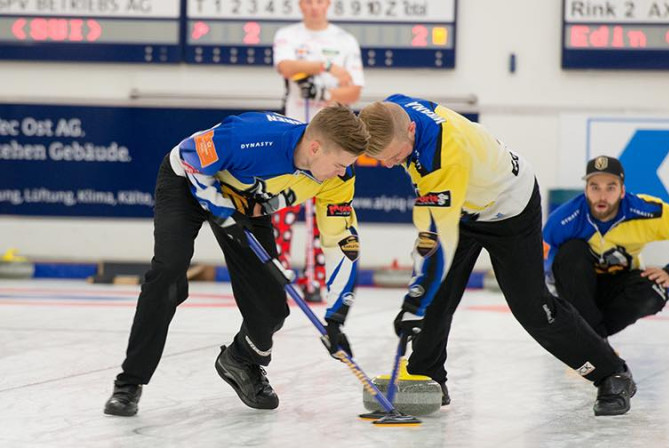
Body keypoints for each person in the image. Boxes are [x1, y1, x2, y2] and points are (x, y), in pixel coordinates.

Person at [358, 95, 636, 416]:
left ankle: (612, 373)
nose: (391, 164)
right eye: (384, 160)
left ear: (410, 130)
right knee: (437, 295)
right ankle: (428, 376)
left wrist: (414, 302)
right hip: (465, 204)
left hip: (509, 208)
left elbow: (437, 237)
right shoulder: (392, 110)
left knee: (534, 309)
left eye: (395, 156)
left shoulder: (445, 154)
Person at [104, 105, 369, 417]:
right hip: (187, 184)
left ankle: (241, 360)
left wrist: (337, 315)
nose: (343, 172)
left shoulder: (340, 177)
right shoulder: (253, 137)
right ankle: (129, 382)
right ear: (315, 147)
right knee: (167, 274)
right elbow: (190, 156)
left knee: (271, 307)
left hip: (247, 203)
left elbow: (340, 242)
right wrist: (220, 209)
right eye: (339, 164)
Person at [543, 155, 669, 340]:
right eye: (595, 187)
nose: (602, 196)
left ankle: (590, 341)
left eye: (611, 187)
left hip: (618, 288)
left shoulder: (645, 211)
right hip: (577, 290)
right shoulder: (563, 220)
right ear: (586, 190)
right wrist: (555, 310)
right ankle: (594, 344)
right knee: (571, 251)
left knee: (655, 291)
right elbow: (543, 265)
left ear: (622, 191)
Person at [271, 0, 365, 302]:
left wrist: (325, 91)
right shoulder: (288, 34)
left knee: (324, 210)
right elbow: (286, 67)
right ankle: (278, 277)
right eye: (308, 2)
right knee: (282, 209)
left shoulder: (345, 40)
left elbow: (353, 88)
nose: (314, 7)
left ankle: (316, 279)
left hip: (332, 138)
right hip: (294, 135)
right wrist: (325, 67)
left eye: (320, 2)